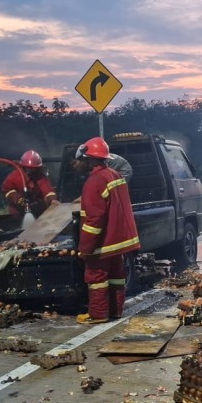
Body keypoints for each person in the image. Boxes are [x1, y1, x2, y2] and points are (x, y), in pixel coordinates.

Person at [74, 137, 141, 324]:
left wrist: (85, 247)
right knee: (116, 277)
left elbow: (94, 220)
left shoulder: (94, 181)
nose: (81, 163)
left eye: (83, 159)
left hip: (103, 241)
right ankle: (115, 311)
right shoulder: (115, 174)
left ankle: (98, 314)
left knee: (96, 277)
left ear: (90, 159)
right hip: (118, 240)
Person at [0, 150, 59, 227]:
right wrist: (17, 198)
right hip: (17, 212)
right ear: (24, 166)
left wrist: (51, 199)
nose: (32, 170)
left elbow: (47, 190)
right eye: (29, 168)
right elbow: (6, 189)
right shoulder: (15, 176)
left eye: (34, 168)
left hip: (37, 211)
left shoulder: (41, 177)